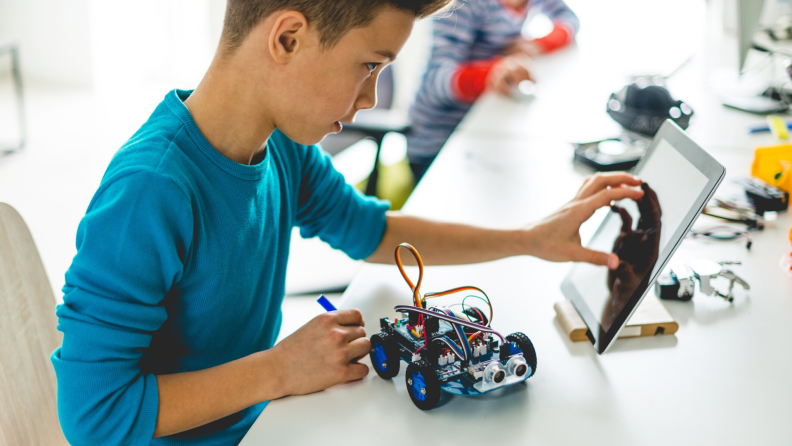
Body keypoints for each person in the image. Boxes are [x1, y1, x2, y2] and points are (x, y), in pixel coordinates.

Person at [51, 1, 643, 444]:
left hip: (271, 419)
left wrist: (529, 239)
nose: (370, 98)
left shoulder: (277, 144)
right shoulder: (151, 191)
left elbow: (373, 232)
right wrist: (278, 370)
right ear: (287, 38)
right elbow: (93, 415)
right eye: (368, 65)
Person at [407, 0, 579, 180]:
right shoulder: (462, 4)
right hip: (440, 140)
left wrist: (537, 44)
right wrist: (493, 73)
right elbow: (437, 79)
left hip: (486, 122)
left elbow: (569, 19)